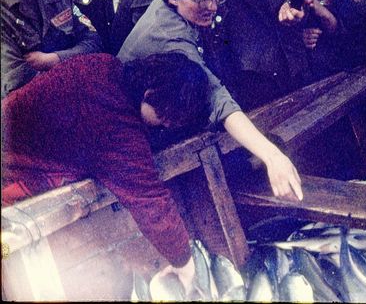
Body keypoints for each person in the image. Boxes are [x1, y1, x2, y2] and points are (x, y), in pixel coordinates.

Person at [2, 51, 210, 295]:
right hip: (12, 170)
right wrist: (183, 261)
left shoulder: (103, 64)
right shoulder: (116, 127)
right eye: (165, 119)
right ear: (149, 94)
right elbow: (149, 200)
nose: (164, 126)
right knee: (7, 253)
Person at [119, 0, 303, 202]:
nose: (212, 6)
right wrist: (271, 156)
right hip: (139, 127)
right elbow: (215, 96)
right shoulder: (170, 36)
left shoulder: (174, 5)